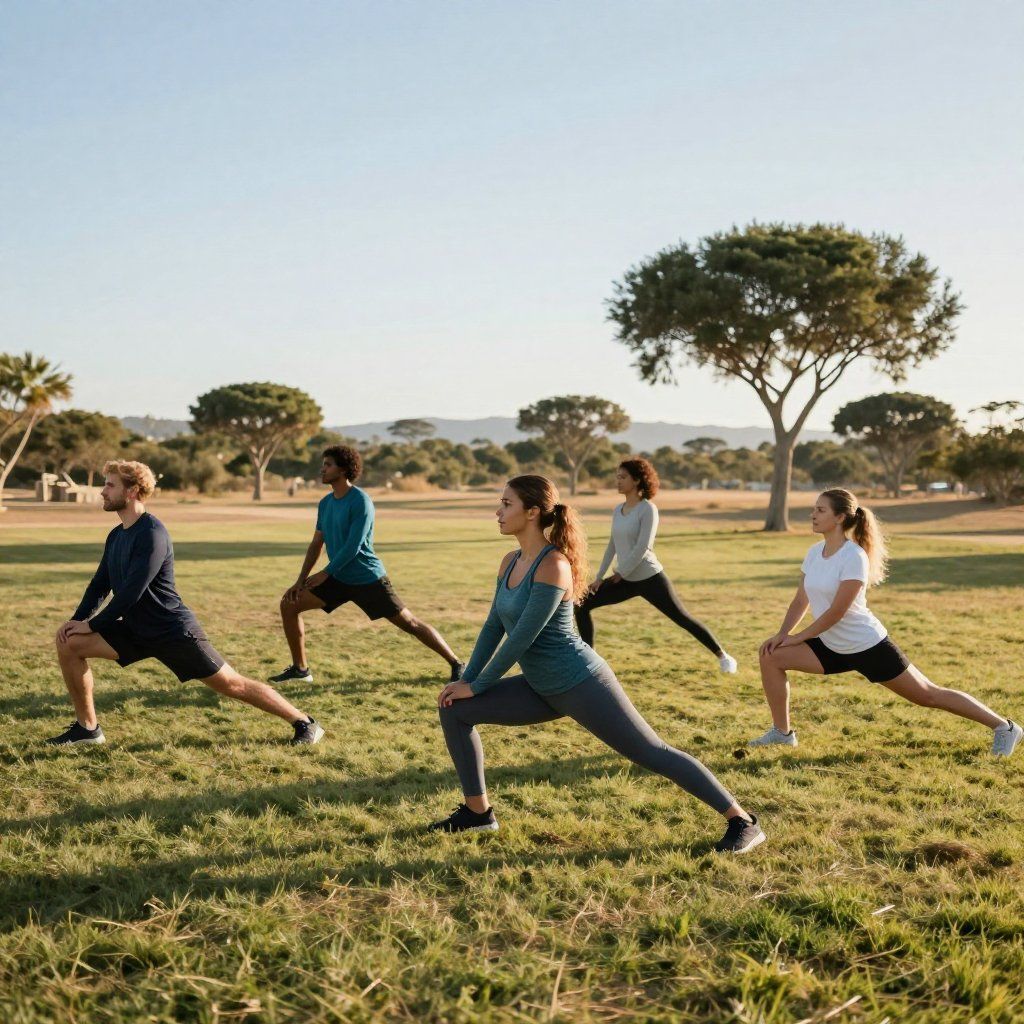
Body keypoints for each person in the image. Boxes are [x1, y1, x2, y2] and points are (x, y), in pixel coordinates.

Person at [431, 475, 765, 854]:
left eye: (507, 504)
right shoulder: (510, 562)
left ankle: (743, 821)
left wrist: (479, 685)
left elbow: (522, 637)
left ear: (533, 512)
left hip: (581, 683)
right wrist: (468, 680)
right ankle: (478, 814)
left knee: (652, 752)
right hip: (540, 687)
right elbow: (494, 626)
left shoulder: (552, 565)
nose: (498, 511)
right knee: (454, 708)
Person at [50, 461, 324, 746]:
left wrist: (91, 625)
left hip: (172, 630)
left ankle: (304, 722)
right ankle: (88, 729)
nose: (102, 491)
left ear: (131, 491)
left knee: (232, 684)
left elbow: (131, 593)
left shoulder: (152, 533)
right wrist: (76, 622)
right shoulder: (117, 535)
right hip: (135, 629)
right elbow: (99, 584)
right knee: (69, 643)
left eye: (109, 485)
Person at [750, 487, 1021, 757]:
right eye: (814, 509)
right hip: (831, 645)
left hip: (866, 644)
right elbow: (800, 600)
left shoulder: (853, 556)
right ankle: (782, 734)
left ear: (840, 517)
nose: (813, 514)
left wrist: (798, 638)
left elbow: (837, 612)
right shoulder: (813, 553)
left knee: (928, 695)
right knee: (771, 656)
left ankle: (1005, 727)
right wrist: (782, 634)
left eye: (820, 510)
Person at [271, 445, 463, 684]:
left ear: (343, 470)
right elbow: (316, 544)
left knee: (410, 623)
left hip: (366, 577)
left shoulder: (361, 501)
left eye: (328, 464)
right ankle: (301, 670)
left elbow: (353, 547)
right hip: (338, 577)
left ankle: (456, 663)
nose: (322, 469)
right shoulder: (326, 503)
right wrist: (300, 580)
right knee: (289, 605)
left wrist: (324, 573)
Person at [575, 458, 737, 673]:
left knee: (681, 618)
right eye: (617, 476)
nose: (618, 481)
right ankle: (590, 661)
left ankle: (723, 656)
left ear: (637, 480)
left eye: (623, 477)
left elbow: (643, 547)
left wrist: (621, 572)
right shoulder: (618, 510)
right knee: (582, 603)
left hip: (649, 578)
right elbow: (613, 543)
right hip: (623, 578)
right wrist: (599, 576)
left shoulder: (647, 509)